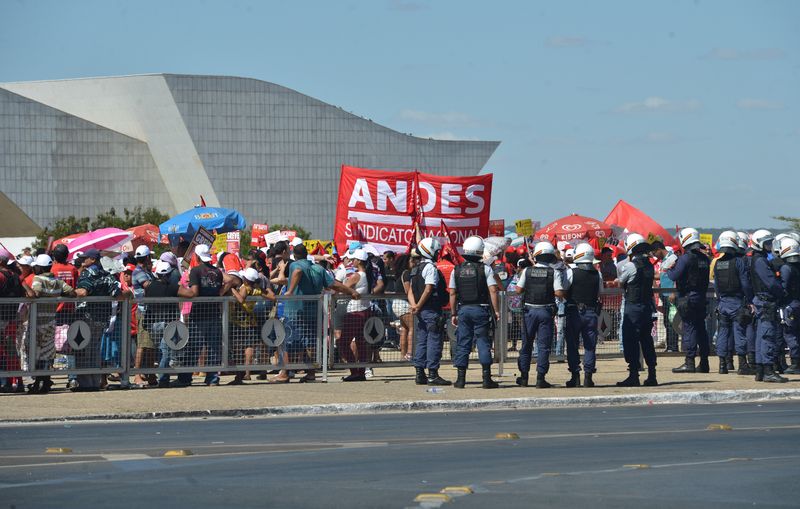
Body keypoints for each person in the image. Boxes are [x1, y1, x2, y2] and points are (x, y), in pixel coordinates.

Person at [284, 243, 359, 382]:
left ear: (295, 255)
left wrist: (289, 290)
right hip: (314, 310)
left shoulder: (295, 265)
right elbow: (334, 284)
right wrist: (351, 291)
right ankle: (311, 373)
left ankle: (285, 373)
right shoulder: (318, 268)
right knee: (311, 342)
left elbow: (298, 271)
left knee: (288, 342)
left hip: (296, 310)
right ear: (306, 254)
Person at [73, 248, 129, 391]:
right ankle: (94, 382)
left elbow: (83, 291)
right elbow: (118, 294)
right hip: (102, 318)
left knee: (83, 349)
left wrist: (66, 291)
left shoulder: (87, 273)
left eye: (86, 257)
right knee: (95, 350)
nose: (83, 260)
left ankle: (86, 383)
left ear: (93, 259)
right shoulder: (107, 274)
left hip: (86, 316)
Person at [449, 236, 501, 389]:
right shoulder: (485, 268)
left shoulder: (456, 269)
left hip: (463, 310)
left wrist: (453, 313)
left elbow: (452, 293)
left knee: (463, 343)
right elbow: (493, 290)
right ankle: (486, 379)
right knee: (483, 342)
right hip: (481, 309)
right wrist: (496, 310)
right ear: (480, 251)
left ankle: (460, 379)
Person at [515, 241, 566, 388]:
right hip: (545, 312)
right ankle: (540, 378)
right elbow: (558, 293)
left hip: (529, 312)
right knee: (544, 346)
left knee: (526, 345)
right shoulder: (554, 272)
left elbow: (518, 290)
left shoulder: (527, 271)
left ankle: (524, 378)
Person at [615, 234, 658, 386]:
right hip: (647, 306)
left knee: (630, 340)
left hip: (633, 307)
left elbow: (621, 282)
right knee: (647, 340)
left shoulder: (630, 266)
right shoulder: (650, 265)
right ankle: (652, 374)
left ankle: (634, 375)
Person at [29, 254, 76, 393]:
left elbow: (36, 292)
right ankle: (45, 382)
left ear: (39, 267)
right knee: (47, 354)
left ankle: (38, 382)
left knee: (36, 353)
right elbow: (72, 293)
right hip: (51, 320)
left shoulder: (38, 279)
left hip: (37, 321)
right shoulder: (57, 281)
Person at [667, 228, 712, 374]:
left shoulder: (685, 258)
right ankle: (704, 362)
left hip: (688, 298)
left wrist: (668, 269)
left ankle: (689, 362)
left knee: (690, 329)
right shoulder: (705, 258)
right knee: (701, 329)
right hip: (701, 296)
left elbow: (674, 276)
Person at [408, 237, 450, 386]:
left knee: (422, 341)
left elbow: (410, 291)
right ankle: (432, 374)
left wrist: (415, 306)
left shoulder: (416, 269)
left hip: (421, 310)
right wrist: (418, 305)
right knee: (433, 341)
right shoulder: (430, 268)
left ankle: (420, 373)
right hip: (431, 309)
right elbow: (429, 288)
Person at [145, 261, 194, 388]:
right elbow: (190, 294)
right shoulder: (172, 287)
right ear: (168, 274)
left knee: (162, 352)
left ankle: (163, 377)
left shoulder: (149, 287)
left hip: (153, 324)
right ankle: (163, 379)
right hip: (168, 324)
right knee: (165, 352)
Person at [713, 231, 755, 375]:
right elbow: (745, 284)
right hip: (737, 302)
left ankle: (722, 365)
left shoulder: (717, 263)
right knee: (739, 333)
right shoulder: (739, 262)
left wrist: (720, 300)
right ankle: (742, 365)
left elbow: (717, 286)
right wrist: (749, 300)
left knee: (722, 334)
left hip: (723, 303)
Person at [748, 229, 787, 383]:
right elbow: (770, 282)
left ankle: (760, 370)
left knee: (761, 337)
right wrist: (782, 291)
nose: (770, 246)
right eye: (767, 243)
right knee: (767, 337)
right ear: (759, 244)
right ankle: (768, 371)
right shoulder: (761, 261)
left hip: (761, 301)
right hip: (766, 302)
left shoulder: (759, 259)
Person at [563, 243, 604, 387]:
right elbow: (600, 293)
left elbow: (564, 289)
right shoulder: (597, 273)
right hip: (591, 312)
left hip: (574, 311)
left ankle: (575, 376)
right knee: (590, 346)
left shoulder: (571, 272)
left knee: (573, 345)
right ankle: (588, 377)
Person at [229, 267, 276, 384]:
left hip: (240, 321)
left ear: (245, 279)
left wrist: (232, 290)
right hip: (251, 320)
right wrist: (266, 287)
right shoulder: (257, 289)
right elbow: (272, 297)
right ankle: (248, 372)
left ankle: (245, 373)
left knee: (240, 347)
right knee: (250, 345)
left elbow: (240, 299)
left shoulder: (245, 288)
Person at [187, 244, 224, 386]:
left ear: (196, 256)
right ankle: (213, 378)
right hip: (214, 312)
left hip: (199, 313)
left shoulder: (195, 271)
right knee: (213, 347)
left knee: (194, 346)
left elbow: (194, 292)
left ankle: (186, 377)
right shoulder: (218, 272)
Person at [338, 249, 374, 381]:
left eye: (353, 259)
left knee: (343, 342)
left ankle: (355, 371)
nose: (351, 261)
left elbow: (342, 288)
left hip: (355, 311)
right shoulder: (367, 275)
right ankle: (361, 372)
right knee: (360, 342)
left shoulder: (357, 275)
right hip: (364, 310)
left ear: (359, 261)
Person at [779, 238, 800, 374]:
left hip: (790, 304)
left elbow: (783, 288)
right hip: (797, 302)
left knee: (790, 333)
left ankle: (795, 362)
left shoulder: (786, 268)